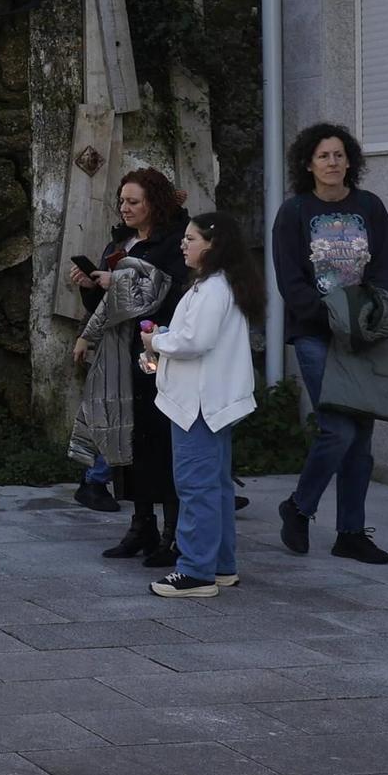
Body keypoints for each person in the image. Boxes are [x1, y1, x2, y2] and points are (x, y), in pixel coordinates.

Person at [275, 123, 388, 564]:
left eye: (339, 155)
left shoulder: (370, 207)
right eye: (323, 156)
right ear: (308, 163)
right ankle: (298, 507)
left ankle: (350, 532)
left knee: (361, 437)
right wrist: (329, 315)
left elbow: (386, 265)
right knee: (338, 428)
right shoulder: (294, 213)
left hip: (363, 336)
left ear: (350, 161)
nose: (332, 163)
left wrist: (370, 311)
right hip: (314, 335)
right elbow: (291, 281)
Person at [65, 167, 187, 564]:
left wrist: (112, 282)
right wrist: (91, 287)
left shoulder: (173, 243)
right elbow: (109, 307)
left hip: (160, 353)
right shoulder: (122, 242)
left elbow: (159, 295)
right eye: (122, 201)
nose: (126, 208)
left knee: (160, 442)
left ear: (155, 202)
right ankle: (141, 526)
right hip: (123, 355)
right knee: (129, 442)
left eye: (134, 201)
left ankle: (172, 534)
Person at [143, 213, 263, 598]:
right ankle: (221, 566)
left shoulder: (212, 289)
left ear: (212, 245)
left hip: (198, 404)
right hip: (208, 401)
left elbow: (196, 341)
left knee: (196, 487)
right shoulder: (216, 285)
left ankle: (196, 572)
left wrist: (157, 342)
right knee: (216, 487)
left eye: (191, 238)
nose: (183, 243)